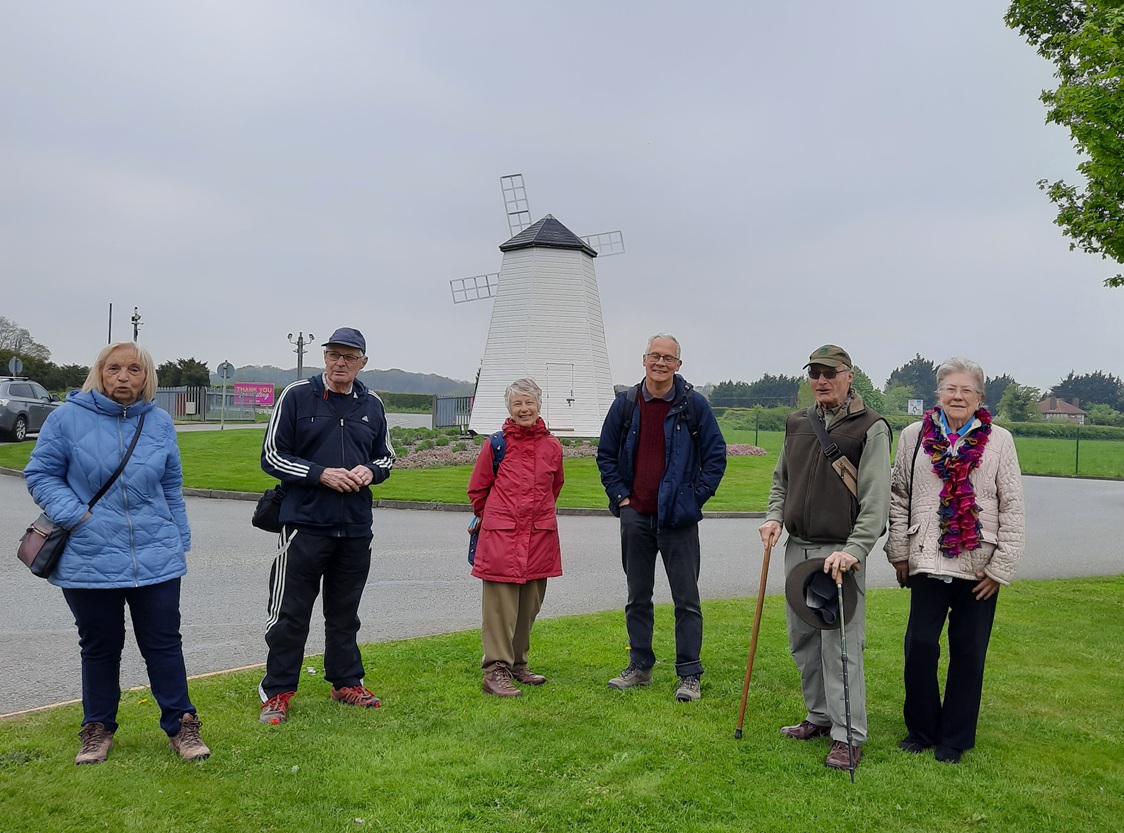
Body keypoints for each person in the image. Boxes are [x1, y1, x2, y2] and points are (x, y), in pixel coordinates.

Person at [24, 342, 210, 765]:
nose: (123, 377)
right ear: (100, 372)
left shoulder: (159, 422)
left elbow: (170, 485)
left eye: (134, 369)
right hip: (88, 554)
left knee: (164, 643)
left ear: (147, 377)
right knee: (100, 646)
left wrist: (178, 537)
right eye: (114, 369)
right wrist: (78, 517)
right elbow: (41, 474)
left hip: (156, 553)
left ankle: (182, 725)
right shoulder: (66, 419)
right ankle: (97, 729)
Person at [885, 357, 1024, 764]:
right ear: (939, 394)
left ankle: (955, 738)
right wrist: (899, 551)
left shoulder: (1000, 440)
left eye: (966, 390)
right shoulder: (913, 436)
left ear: (979, 398)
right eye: (950, 388)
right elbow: (899, 496)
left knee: (968, 651)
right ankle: (921, 729)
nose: (957, 396)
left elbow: (1012, 505)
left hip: (979, 565)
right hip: (926, 559)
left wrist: (1001, 568)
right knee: (920, 646)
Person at [759, 344, 890, 772]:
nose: (821, 380)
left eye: (830, 373)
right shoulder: (798, 422)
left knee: (841, 645)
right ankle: (818, 717)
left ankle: (848, 736)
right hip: (797, 547)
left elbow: (875, 501)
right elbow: (781, 482)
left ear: (849, 376)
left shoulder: (871, 427)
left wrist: (855, 549)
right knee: (803, 638)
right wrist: (774, 516)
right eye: (815, 373)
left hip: (840, 553)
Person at [258, 327, 396, 724]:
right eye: (334, 354)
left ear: (363, 362)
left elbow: (386, 457)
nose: (340, 363)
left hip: (354, 526)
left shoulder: (372, 403)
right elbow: (271, 455)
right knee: (290, 613)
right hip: (304, 525)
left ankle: (346, 682)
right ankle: (277, 691)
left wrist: (370, 471)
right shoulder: (297, 395)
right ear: (324, 357)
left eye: (349, 357)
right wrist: (320, 474)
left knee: (345, 613)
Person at [597, 333, 727, 702]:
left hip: (678, 520)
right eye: (655, 356)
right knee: (638, 596)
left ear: (678, 365)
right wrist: (622, 498)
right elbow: (605, 455)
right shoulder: (625, 404)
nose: (660, 363)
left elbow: (715, 456)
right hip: (636, 516)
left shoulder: (693, 406)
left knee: (686, 600)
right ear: (644, 360)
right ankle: (640, 666)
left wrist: (693, 499)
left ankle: (689, 674)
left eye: (668, 358)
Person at [467, 378, 564, 697]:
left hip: (539, 538)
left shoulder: (552, 446)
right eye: (517, 403)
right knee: (500, 610)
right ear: (509, 408)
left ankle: (518, 664)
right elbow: (478, 490)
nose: (524, 409)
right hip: (502, 539)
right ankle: (495, 670)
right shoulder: (496, 444)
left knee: (528, 607)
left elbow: (555, 487)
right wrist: (499, 518)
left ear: (539, 405)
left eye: (529, 402)